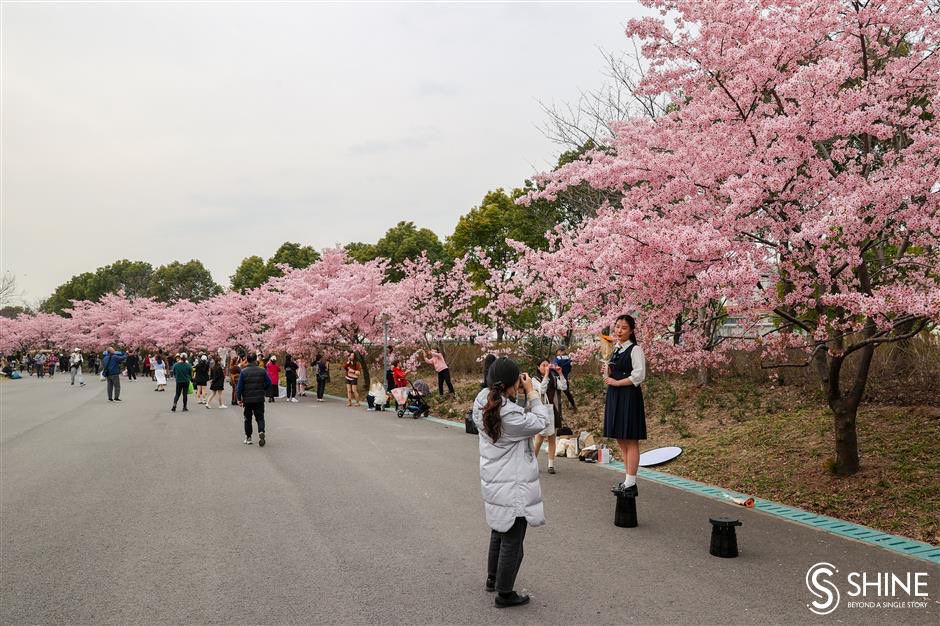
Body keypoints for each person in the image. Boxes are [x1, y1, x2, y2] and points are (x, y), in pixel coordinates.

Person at [471, 357, 549, 608]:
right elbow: (540, 423)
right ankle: (505, 593)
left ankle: (493, 578)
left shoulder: (483, 401)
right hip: (513, 484)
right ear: (510, 383)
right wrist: (532, 394)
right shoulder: (509, 414)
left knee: (499, 530)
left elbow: (512, 412)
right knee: (513, 539)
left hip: (495, 481)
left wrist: (516, 393)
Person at [604, 314, 647, 496]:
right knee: (620, 438)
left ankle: (631, 481)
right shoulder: (616, 349)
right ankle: (627, 478)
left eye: (623, 328)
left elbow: (639, 375)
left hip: (628, 395)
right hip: (615, 395)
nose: (619, 331)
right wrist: (608, 371)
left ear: (631, 331)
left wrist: (616, 382)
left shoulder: (635, 349)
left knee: (630, 438)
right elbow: (614, 373)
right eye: (617, 327)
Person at [532, 359, 568, 475]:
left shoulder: (553, 378)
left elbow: (563, 386)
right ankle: (531, 463)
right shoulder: (534, 379)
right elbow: (542, 389)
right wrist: (547, 375)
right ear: (538, 367)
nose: (546, 367)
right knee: (539, 438)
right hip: (540, 410)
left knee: (552, 437)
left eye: (548, 365)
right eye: (543, 365)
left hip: (552, 409)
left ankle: (551, 465)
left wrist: (560, 373)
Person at [236, 352, 271, 446]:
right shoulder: (262, 371)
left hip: (247, 399)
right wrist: (263, 389)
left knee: (248, 418)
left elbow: (239, 387)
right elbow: (269, 383)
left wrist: (239, 398)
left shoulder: (244, 372)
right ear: (256, 360)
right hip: (259, 398)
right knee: (260, 417)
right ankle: (261, 431)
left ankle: (248, 437)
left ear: (247, 360)